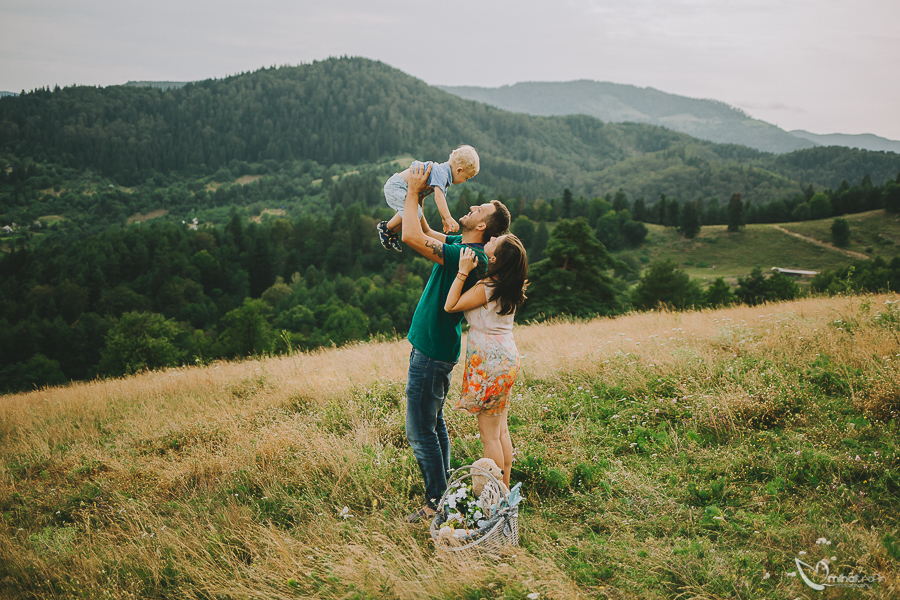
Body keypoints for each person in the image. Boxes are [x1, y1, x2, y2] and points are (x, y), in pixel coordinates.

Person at [400, 162, 511, 522]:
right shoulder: (459, 244)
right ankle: (444, 489)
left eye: (479, 210)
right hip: (431, 347)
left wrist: (415, 191)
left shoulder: (471, 256)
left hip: (433, 351)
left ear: (482, 226)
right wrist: (421, 199)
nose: (472, 206)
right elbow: (425, 231)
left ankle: (436, 501)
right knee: (433, 424)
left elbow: (412, 238)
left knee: (420, 432)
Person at [443, 235, 528, 491]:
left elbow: (451, 306)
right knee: (501, 429)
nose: (490, 238)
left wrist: (462, 272)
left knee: (489, 434)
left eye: (495, 240)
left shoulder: (489, 286)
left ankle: (497, 496)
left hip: (491, 362)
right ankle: (505, 487)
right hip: (505, 357)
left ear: (494, 258)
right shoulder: (508, 284)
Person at [376, 145, 480, 252]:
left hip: (402, 187)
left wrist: (444, 219)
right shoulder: (442, 174)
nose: (464, 181)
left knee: (414, 215)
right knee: (414, 212)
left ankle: (391, 232)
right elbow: (439, 198)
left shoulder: (443, 175)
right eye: (466, 178)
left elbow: (438, 199)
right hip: (397, 187)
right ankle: (386, 228)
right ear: (459, 170)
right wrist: (448, 217)